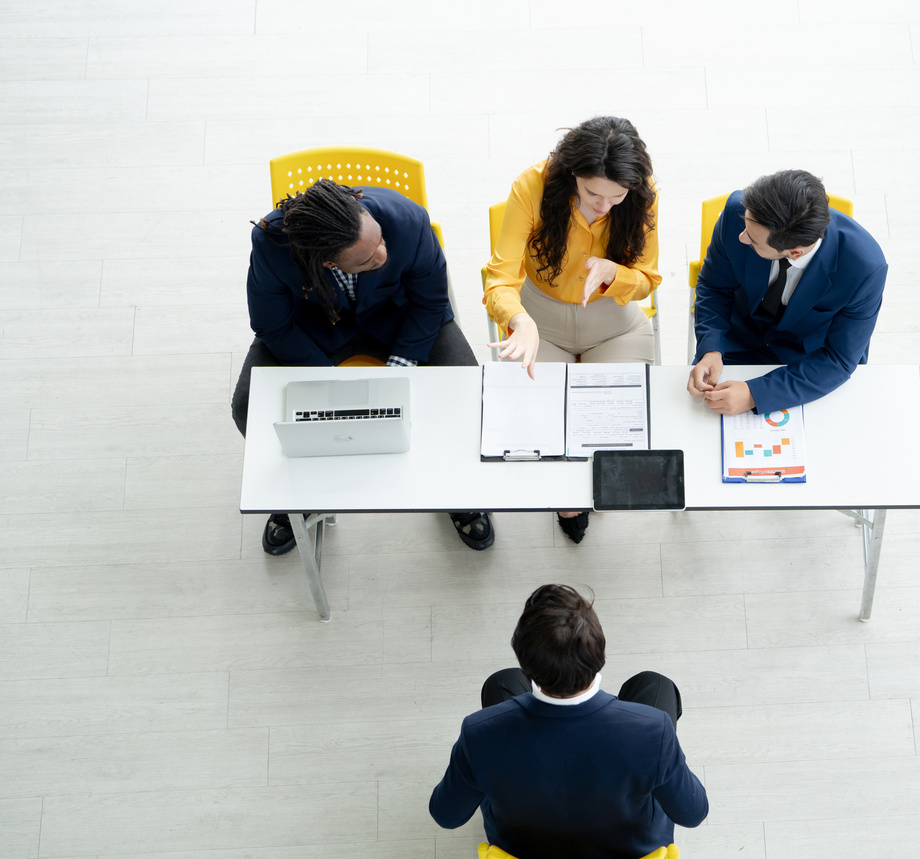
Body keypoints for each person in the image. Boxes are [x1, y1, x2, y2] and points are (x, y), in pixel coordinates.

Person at [232, 179, 494, 554]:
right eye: (367, 260)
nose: (383, 255)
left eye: (382, 241)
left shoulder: (408, 219)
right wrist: (326, 382)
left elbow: (430, 302)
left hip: (401, 319)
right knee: (247, 405)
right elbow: (272, 325)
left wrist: (401, 366)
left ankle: (456, 491)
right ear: (327, 261)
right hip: (314, 330)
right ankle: (302, 494)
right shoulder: (271, 244)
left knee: (467, 389)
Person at [429, 584, 708, 859]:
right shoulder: (654, 730)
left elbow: (447, 815)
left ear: (528, 668)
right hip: (629, 848)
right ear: (600, 655)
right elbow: (693, 813)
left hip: (522, 847)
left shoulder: (478, 733)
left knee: (501, 683)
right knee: (654, 685)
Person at [484, 116, 660, 543]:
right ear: (571, 176)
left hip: (613, 322)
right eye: (592, 193)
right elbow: (499, 279)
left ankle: (588, 491)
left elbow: (648, 280)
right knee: (538, 425)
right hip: (539, 318)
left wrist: (613, 272)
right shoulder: (532, 187)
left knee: (615, 424)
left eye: (616, 197)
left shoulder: (644, 194)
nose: (603, 207)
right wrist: (518, 320)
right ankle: (569, 498)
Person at [687, 169, 888, 416]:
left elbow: (839, 359)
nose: (741, 237)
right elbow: (714, 286)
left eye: (752, 239)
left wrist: (754, 395)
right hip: (733, 341)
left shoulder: (865, 268)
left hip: (803, 364)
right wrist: (711, 349)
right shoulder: (737, 213)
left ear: (795, 252)